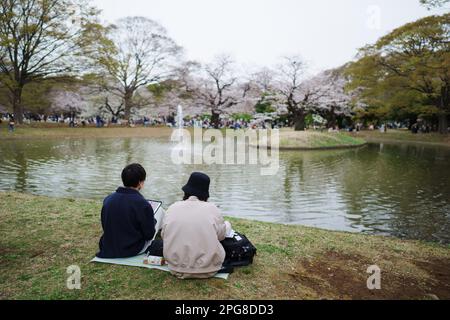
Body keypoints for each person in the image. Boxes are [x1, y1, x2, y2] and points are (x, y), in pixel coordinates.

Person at [162, 172, 232, 280]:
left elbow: (164, 235)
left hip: (175, 267)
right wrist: (227, 225)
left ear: (186, 191)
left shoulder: (172, 208)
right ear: (205, 194)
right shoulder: (213, 209)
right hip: (209, 268)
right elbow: (221, 236)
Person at [96, 164, 164, 259]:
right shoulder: (143, 204)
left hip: (108, 246)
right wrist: (152, 221)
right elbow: (149, 235)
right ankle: (163, 233)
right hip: (131, 248)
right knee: (160, 211)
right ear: (140, 182)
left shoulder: (108, 199)